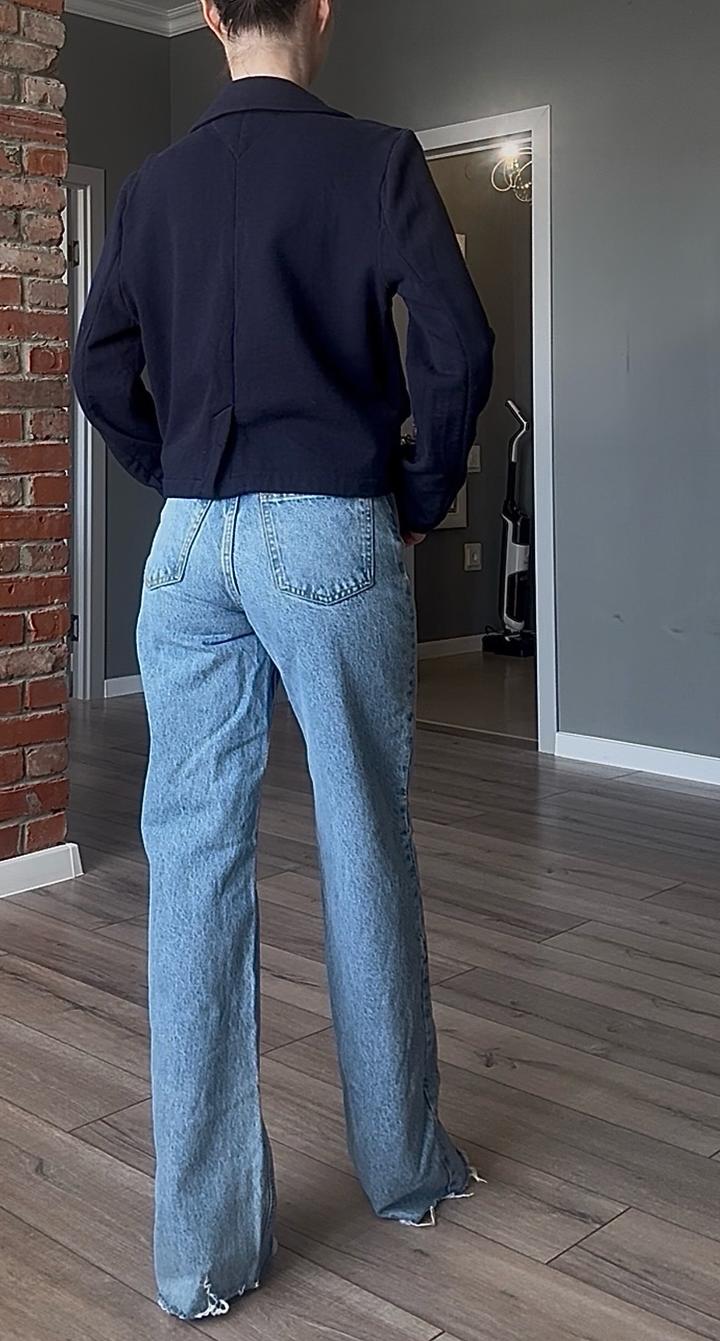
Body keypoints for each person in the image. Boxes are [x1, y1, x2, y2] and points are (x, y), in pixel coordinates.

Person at [72, 0, 494, 1321]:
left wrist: (177, 474)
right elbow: (459, 344)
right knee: (364, 837)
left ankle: (200, 1259)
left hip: (188, 541)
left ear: (206, 15)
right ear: (321, 9)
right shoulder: (375, 159)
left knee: (192, 868)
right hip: (329, 525)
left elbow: (99, 368)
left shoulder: (154, 186)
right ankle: (405, 1171)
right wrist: (417, 490)